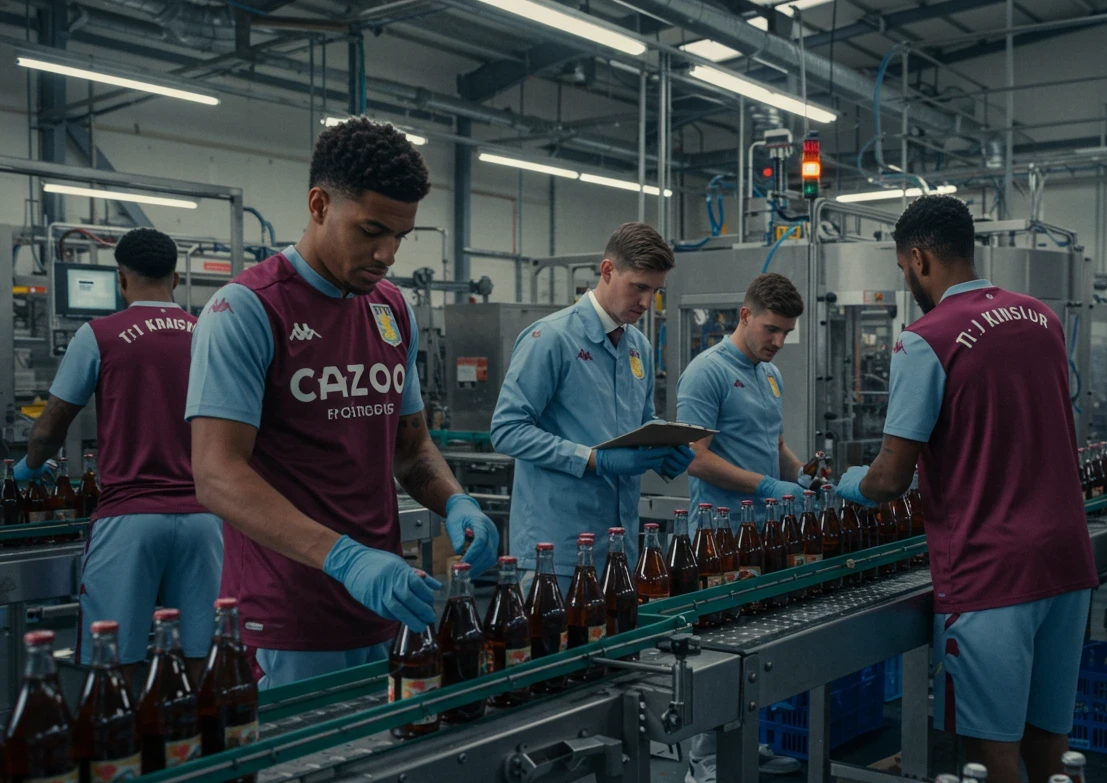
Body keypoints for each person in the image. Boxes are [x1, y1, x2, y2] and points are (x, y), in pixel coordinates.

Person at [186, 117, 499, 688]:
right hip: (286, 619)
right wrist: (345, 558)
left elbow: (410, 447)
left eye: (401, 236)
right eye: (371, 230)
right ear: (319, 204)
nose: (387, 253)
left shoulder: (390, 308)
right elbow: (216, 475)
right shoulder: (248, 311)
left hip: (386, 605)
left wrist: (457, 502)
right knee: (304, 777)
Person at [835, 196, 1098, 783]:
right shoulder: (1043, 318)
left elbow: (892, 477)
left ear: (918, 259)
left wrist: (847, 485)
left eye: (903, 269)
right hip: (1068, 558)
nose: (907, 281)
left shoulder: (924, 341)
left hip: (990, 571)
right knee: (1049, 740)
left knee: (990, 750)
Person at [15, 228, 220, 682]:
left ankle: (125, 746)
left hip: (129, 517)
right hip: (207, 517)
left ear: (121, 278)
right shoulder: (208, 332)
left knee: (115, 658)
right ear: (176, 276)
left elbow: (51, 425)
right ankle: (202, 745)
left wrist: (27, 470)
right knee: (204, 652)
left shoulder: (99, 334)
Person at [490, 222, 694, 593]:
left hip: (619, 548)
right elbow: (506, 430)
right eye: (639, 287)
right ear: (607, 271)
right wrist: (592, 459)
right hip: (557, 552)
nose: (646, 303)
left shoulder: (638, 347)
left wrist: (663, 447)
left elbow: (640, 419)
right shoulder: (550, 338)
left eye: (656, 291)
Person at [675, 272, 808, 783]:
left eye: (786, 333)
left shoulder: (767, 374)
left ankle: (746, 741)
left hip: (763, 534)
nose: (778, 342)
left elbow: (773, 443)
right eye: (772, 329)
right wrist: (769, 486)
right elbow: (697, 459)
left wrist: (802, 475)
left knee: (758, 641)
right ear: (745, 316)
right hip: (719, 534)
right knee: (715, 649)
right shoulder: (705, 374)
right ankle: (701, 760)